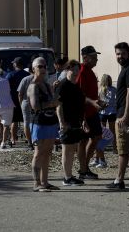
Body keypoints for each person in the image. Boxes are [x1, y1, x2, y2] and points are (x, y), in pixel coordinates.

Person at [107, 42, 129, 190]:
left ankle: (119, 180)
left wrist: (125, 116)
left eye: (122, 53)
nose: (120, 56)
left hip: (126, 115)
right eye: (117, 54)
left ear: (128, 53)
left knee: (122, 149)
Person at [27, 57, 59, 192]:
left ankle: (45, 182)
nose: (43, 69)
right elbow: (34, 106)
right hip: (39, 123)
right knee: (39, 152)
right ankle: (36, 183)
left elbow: (54, 100)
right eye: (40, 66)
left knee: (47, 152)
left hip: (50, 121)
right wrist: (51, 103)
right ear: (33, 69)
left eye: (45, 66)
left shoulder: (46, 85)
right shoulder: (33, 86)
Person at [56, 60, 87, 186]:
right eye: (72, 70)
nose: (75, 72)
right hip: (67, 122)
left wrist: (84, 120)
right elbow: (58, 105)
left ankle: (69, 175)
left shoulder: (76, 86)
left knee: (72, 149)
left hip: (76, 122)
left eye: (77, 70)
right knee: (66, 149)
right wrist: (62, 122)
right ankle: (67, 177)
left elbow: (81, 105)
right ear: (66, 70)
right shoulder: (63, 85)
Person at [77, 45, 103, 180]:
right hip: (85, 113)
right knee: (83, 140)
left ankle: (84, 167)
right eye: (94, 57)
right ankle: (83, 169)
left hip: (93, 112)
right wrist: (83, 119)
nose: (96, 60)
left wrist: (98, 101)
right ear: (85, 58)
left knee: (96, 137)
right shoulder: (82, 71)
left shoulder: (90, 71)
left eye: (96, 57)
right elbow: (80, 95)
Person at [95, 74, 117, 167]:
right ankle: (114, 148)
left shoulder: (100, 89)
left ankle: (105, 148)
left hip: (104, 112)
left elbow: (98, 100)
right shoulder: (113, 89)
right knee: (111, 131)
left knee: (103, 132)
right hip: (110, 111)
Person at [6, 57, 30, 147]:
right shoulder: (27, 74)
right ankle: (28, 139)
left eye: (13, 63)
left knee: (14, 121)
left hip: (14, 100)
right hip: (26, 100)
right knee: (26, 121)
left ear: (15, 64)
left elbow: (6, 87)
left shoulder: (10, 75)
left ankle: (13, 139)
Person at [15, 58, 35, 149]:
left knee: (26, 123)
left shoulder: (25, 79)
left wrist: (20, 103)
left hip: (26, 102)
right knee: (35, 122)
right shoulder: (41, 78)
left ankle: (29, 143)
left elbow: (20, 93)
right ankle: (36, 140)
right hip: (37, 103)